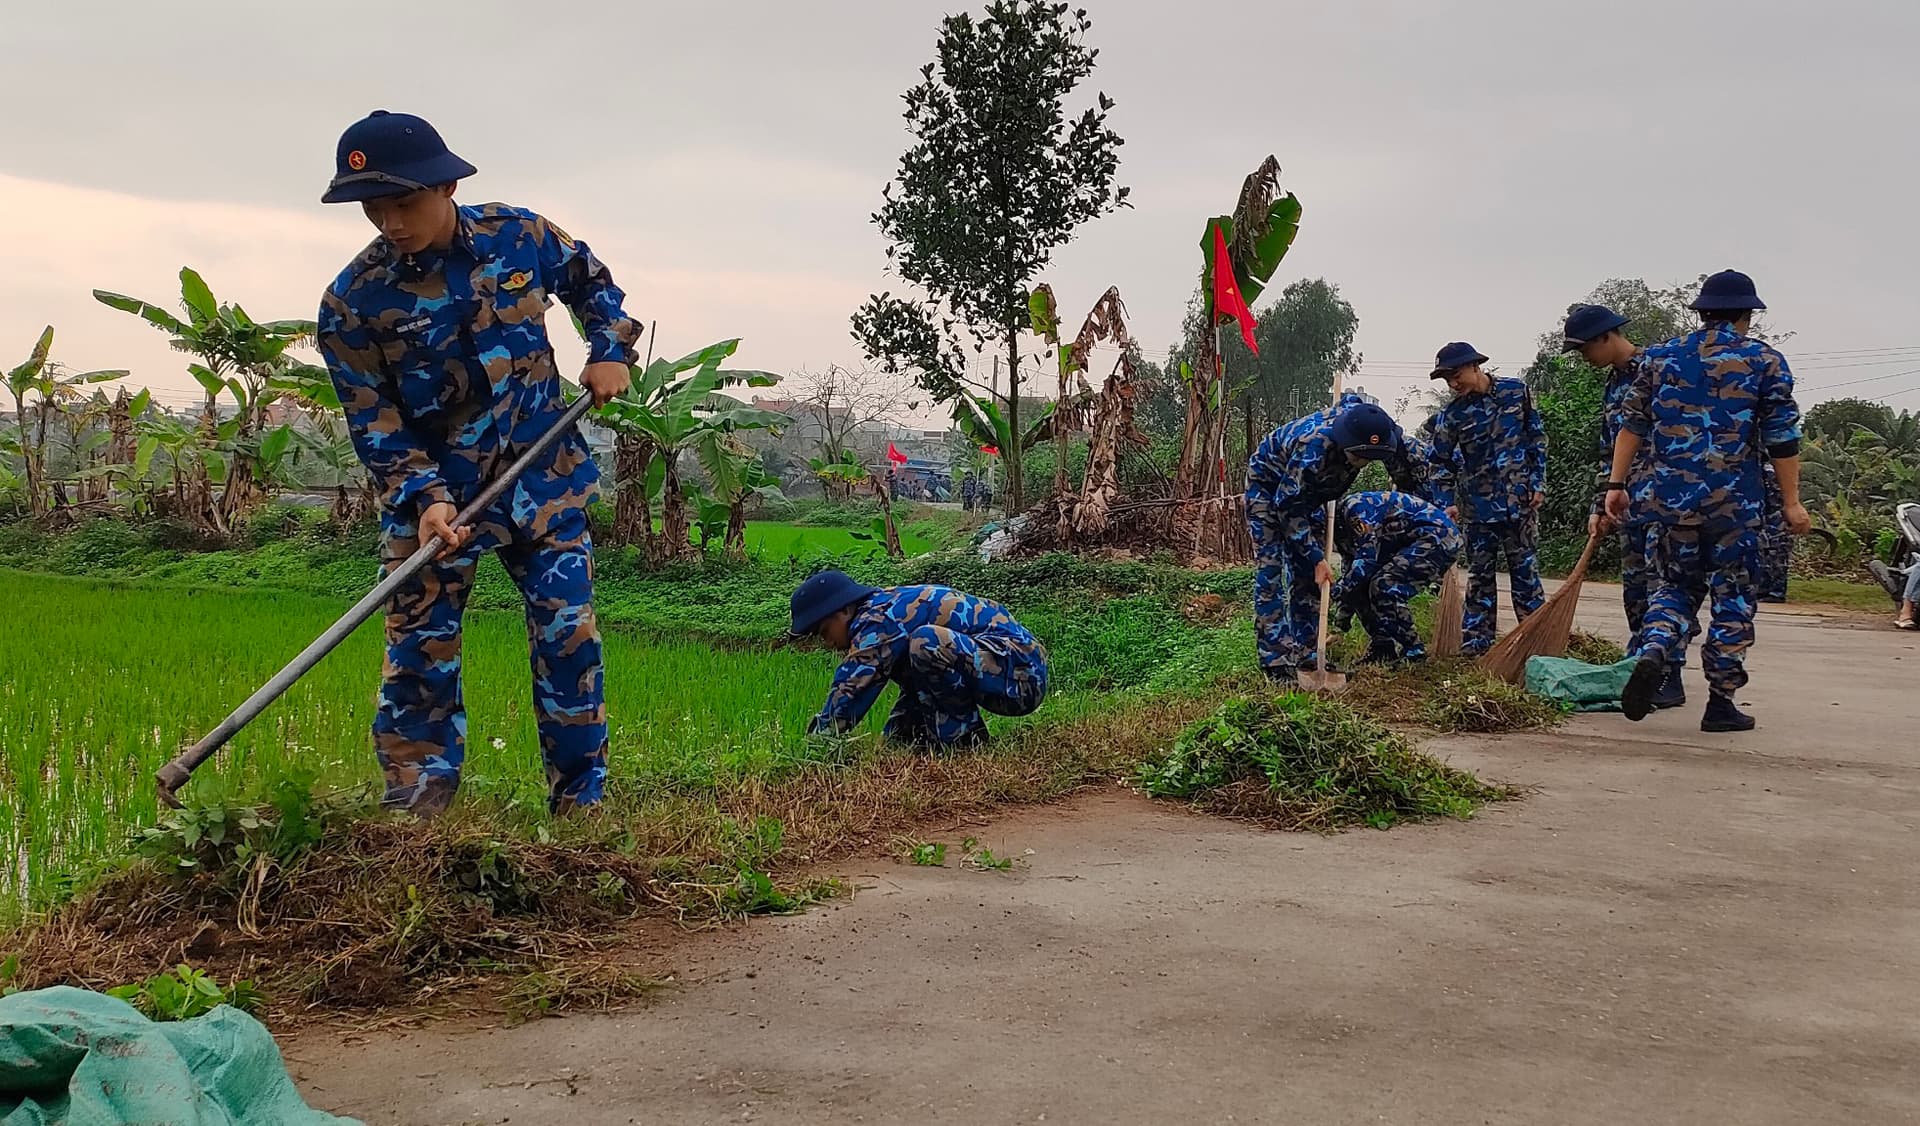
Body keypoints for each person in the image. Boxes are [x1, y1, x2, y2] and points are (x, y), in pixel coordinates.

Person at [315, 110, 640, 816]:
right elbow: (376, 421)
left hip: (543, 479)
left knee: (569, 643)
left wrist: (609, 348)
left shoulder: (518, 235)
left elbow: (594, 285)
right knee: (418, 660)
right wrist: (424, 496)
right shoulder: (351, 304)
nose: (390, 221)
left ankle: (582, 812)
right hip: (437, 503)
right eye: (374, 207)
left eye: (403, 202)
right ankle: (416, 821)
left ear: (448, 185)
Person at [1606, 269, 1810, 732]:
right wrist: (1793, 503)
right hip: (1734, 507)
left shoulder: (1659, 358)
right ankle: (1720, 704)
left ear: (1701, 311)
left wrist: (1615, 488)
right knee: (1732, 598)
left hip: (1668, 502)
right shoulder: (1765, 361)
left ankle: (1654, 647)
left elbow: (1632, 425)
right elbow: (1782, 437)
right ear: (1746, 315)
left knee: (1674, 588)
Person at [1564, 303, 1691, 710]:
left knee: (1663, 587)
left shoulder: (1658, 367)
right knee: (1635, 590)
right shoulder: (1614, 382)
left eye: (1586, 349)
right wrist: (1600, 503)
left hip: (1665, 500)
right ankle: (1640, 665)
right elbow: (1610, 449)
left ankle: (1670, 672)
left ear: (1607, 337)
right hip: (1626, 501)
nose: (1584, 359)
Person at [791, 570, 1048, 747]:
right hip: (1006, 668)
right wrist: (897, 737)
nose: (827, 643)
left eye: (824, 631)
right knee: (915, 657)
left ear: (845, 610)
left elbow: (852, 687)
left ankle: (963, 741)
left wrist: (817, 743)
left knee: (926, 642)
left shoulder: (879, 620)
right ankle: (922, 737)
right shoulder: (883, 608)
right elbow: (919, 680)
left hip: (1020, 677)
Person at [1246, 400, 1402, 681]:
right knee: (1271, 572)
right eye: (1360, 458)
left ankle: (1307, 653)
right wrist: (1317, 558)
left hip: (1311, 495)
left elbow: (1352, 403)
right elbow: (1288, 506)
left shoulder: (1366, 422)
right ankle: (1276, 661)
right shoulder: (1312, 449)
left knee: (1310, 578)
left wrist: (1312, 561)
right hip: (1270, 490)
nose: (1363, 464)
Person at [1428, 342, 1548, 656]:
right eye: (1446, 380)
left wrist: (1537, 482)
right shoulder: (1452, 415)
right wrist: (1445, 502)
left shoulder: (1515, 392)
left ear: (1474, 366)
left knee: (1526, 574)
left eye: (1455, 375)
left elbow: (1536, 438)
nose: (1453, 384)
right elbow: (1439, 462)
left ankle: (1535, 639)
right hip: (1478, 511)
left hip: (1519, 504)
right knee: (1480, 578)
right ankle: (1477, 646)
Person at [1330, 490, 1462, 665]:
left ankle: (1414, 651)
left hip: (1436, 537)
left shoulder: (1355, 510)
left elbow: (1367, 560)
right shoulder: (1338, 531)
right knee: (1360, 586)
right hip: (1408, 542)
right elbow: (1351, 573)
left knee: (1384, 586)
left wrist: (1336, 592)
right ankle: (1383, 648)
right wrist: (1340, 620)